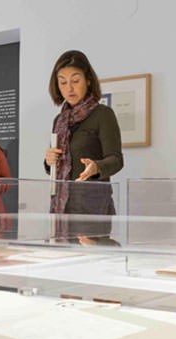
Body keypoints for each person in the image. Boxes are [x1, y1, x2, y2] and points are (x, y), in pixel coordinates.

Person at [44, 50, 123, 217]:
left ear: (88, 80)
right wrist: (48, 161)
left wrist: (96, 167)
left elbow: (116, 160)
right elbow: (56, 167)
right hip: (61, 208)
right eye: (63, 83)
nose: (69, 88)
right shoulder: (59, 120)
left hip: (92, 208)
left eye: (75, 80)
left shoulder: (103, 114)